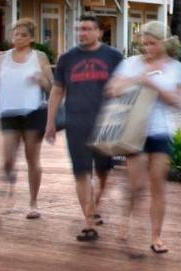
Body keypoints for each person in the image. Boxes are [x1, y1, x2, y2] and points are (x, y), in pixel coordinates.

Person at [105, 21, 181, 255]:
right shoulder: (130, 64)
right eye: (145, 44)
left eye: (152, 43)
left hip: (161, 131)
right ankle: (126, 218)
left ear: (164, 43)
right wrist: (138, 79)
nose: (148, 48)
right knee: (135, 184)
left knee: (157, 185)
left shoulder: (176, 68)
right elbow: (112, 89)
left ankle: (156, 236)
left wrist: (155, 85)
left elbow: (177, 100)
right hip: (135, 131)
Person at [46, 15, 124, 242]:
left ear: (99, 32)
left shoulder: (114, 57)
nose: (83, 33)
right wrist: (50, 121)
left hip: (105, 124)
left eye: (88, 29)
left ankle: (94, 204)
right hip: (76, 123)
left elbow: (124, 87)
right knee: (81, 173)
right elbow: (57, 90)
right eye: (80, 29)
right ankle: (89, 222)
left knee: (103, 171)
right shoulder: (67, 59)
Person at [0, 18, 52, 219]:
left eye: (23, 35)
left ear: (32, 38)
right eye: (15, 34)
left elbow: (52, 87)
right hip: (9, 111)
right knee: (8, 159)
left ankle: (33, 203)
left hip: (34, 112)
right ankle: (10, 191)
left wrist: (41, 79)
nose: (17, 38)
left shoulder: (39, 57)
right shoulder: (2, 57)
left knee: (31, 157)